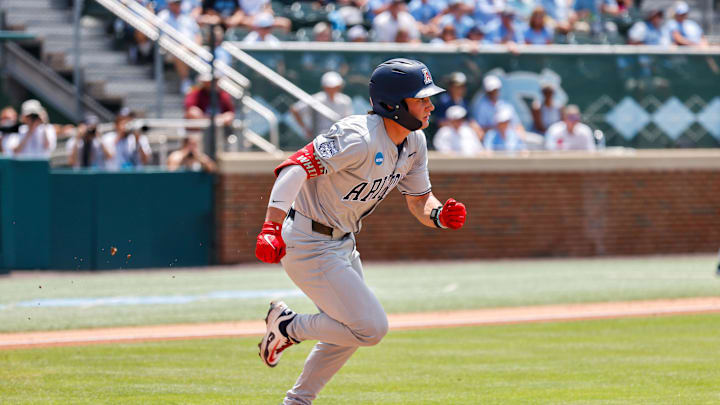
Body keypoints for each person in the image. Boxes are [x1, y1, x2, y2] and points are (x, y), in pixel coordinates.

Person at [255, 58, 467, 405]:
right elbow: (293, 169)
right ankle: (288, 326)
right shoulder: (358, 136)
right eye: (421, 98)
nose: (431, 104)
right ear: (393, 105)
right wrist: (270, 226)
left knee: (349, 332)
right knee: (370, 328)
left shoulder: (414, 142)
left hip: (342, 242)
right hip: (309, 241)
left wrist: (439, 214)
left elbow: (420, 201)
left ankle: (298, 401)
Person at [290, 71, 353, 140]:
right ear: (324, 87)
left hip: (339, 137)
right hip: (319, 138)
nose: (332, 89)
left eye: (335, 87)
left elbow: (348, 120)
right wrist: (305, 129)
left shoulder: (345, 100)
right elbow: (295, 109)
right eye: (330, 87)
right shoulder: (316, 99)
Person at [158, 0, 202, 93]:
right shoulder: (163, 16)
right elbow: (161, 36)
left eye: (179, 3)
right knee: (180, 52)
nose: (178, 5)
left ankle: (198, 82)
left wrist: (196, 47)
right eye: (175, 3)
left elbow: (197, 35)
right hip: (170, 49)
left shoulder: (187, 17)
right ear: (170, 4)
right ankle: (185, 81)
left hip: (191, 49)